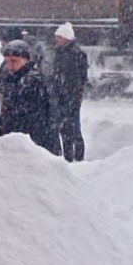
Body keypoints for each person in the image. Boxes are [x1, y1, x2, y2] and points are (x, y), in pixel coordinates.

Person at [0, 39, 55, 153]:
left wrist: (3, 87)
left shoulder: (34, 79)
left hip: (33, 144)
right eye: (7, 61)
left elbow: (22, 103)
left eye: (14, 61)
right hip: (18, 142)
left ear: (26, 60)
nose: (9, 65)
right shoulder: (12, 78)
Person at [49, 22, 88, 162]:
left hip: (71, 98)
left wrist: (72, 94)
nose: (56, 40)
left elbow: (80, 78)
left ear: (66, 38)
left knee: (73, 127)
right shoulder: (60, 53)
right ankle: (68, 156)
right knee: (64, 128)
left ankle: (78, 156)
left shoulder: (76, 55)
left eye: (59, 37)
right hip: (61, 97)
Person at [0, 26, 23, 131]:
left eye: (4, 43)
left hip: (15, 116)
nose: (2, 46)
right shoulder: (10, 60)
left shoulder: (18, 62)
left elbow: (16, 87)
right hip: (9, 115)